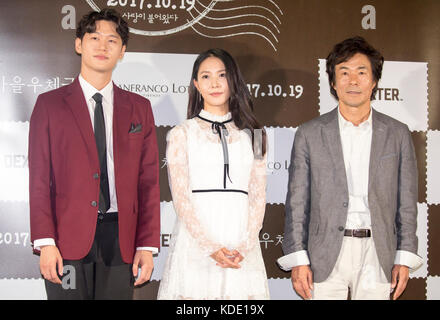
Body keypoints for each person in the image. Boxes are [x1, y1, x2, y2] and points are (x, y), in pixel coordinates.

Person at [28, 8, 160, 299]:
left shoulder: (139, 107)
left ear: (122, 51)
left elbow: (148, 181)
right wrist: (45, 241)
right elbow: (39, 179)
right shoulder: (49, 105)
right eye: (94, 37)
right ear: (79, 44)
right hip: (65, 239)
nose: (103, 46)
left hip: (121, 238)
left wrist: (146, 246)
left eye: (112, 40)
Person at [277, 36, 422, 300]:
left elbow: (407, 203)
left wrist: (404, 256)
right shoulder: (309, 134)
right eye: (344, 72)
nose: (352, 81)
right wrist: (298, 258)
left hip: (379, 255)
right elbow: (297, 202)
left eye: (361, 72)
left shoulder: (398, 133)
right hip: (324, 253)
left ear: (374, 81)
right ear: (333, 81)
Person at [157, 48, 269, 299]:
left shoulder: (257, 136)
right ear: (196, 84)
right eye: (206, 76)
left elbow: (258, 196)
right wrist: (209, 247)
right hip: (197, 242)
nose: (215, 83)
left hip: (241, 242)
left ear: (233, 80)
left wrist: (245, 245)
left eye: (222, 75)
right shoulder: (180, 134)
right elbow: (181, 198)